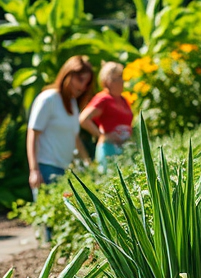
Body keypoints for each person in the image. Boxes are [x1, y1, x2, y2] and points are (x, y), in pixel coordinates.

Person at [27, 55, 94, 196]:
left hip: (65, 170)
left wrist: (89, 164)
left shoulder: (73, 104)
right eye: (80, 80)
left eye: (86, 83)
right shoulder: (48, 99)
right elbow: (33, 134)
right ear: (68, 74)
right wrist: (34, 170)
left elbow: (74, 138)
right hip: (46, 168)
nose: (82, 87)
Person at [79, 61, 134, 168]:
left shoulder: (123, 100)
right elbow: (83, 119)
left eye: (122, 77)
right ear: (107, 81)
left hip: (124, 149)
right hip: (109, 150)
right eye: (117, 78)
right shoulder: (103, 98)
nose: (122, 81)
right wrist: (103, 135)